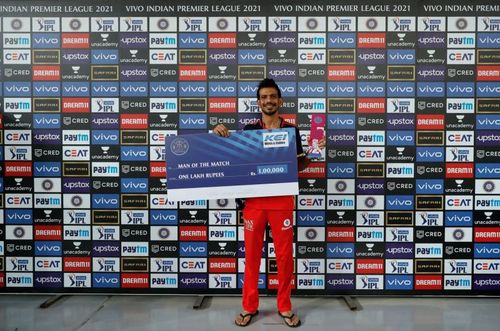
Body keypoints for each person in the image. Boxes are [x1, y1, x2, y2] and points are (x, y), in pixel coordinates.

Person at [213, 78, 325, 327]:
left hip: (282, 202)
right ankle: (248, 306)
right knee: (252, 257)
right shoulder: (249, 129)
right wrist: (219, 137)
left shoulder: (291, 130)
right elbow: (236, 163)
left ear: (280, 100)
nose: (269, 101)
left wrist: (313, 153)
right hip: (254, 203)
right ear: (258, 102)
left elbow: (297, 167)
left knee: (285, 258)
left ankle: (284, 306)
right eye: (264, 97)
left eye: (273, 96)